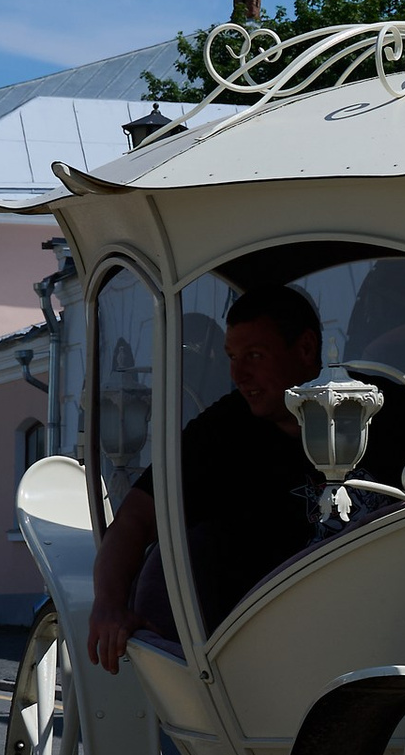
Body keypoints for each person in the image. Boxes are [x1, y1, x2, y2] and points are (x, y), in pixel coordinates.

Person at [88, 285, 326, 671]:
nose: (237, 373)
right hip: (258, 657)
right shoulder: (220, 434)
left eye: (254, 356)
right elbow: (133, 520)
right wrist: (109, 606)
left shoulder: (381, 408)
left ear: (305, 348)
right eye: (233, 357)